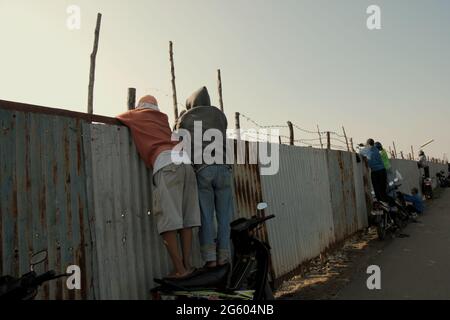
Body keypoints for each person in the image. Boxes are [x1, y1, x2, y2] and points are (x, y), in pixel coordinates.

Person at [117, 95, 201, 279]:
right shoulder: (163, 118)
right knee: (187, 219)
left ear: (140, 107)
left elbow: (117, 118)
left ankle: (180, 270)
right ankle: (187, 264)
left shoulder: (135, 115)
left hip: (166, 164)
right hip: (186, 164)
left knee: (168, 220)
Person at [176, 86, 233, 268]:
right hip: (224, 168)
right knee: (224, 217)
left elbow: (177, 134)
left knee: (206, 216)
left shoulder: (187, 117)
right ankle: (223, 257)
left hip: (203, 169)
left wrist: (180, 117)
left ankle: (210, 260)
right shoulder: (220, 115)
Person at [360, 139, 393, 206]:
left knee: (377, 190)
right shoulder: (377, 149)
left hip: (375, 172)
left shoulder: (367, 150)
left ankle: (383, 204)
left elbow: (360, 152)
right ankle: (390, 205)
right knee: (382, 191)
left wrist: (364, 146)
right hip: (382, 171)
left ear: (368, 144)